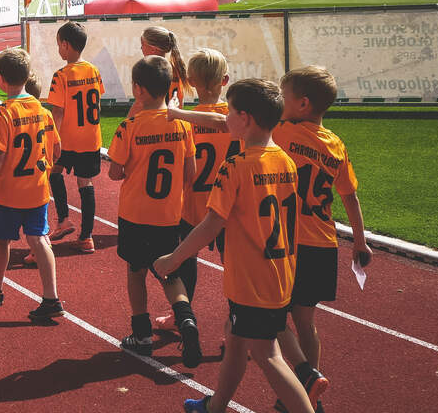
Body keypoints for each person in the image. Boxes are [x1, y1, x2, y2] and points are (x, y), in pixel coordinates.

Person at [153, 79, 313, 413]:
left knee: (268, 356)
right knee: (237, 344)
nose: (225, 118)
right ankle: (216, 406)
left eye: (230, 112)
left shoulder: (236, 166)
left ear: (246, 118)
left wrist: (173, 259)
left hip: (252, 280)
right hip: (278, 272)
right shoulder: (285, 161)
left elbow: (212, 224)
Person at [272, 66, 369, 410]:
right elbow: (350, 196)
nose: (279, 101)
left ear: (302, 104)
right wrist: (360, 241)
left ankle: (305, 380)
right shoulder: (336, 145)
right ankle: (307, 388)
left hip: (288, 242)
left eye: (283, 96)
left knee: (268, 316)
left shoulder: (282, 131)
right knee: (306, 322)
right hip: (324, 243)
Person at [106, 56, 200, 367]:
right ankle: (186, 318)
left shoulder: (129, 126)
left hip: (135, 213)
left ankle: (142, 334)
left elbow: (115, 172)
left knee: (136, 272)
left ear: (138, 89)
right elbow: (191, 172)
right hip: (168, 214)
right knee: (169, 272)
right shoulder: (182, 124)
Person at [0, 47, 64, 320]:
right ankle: (51, 297)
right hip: (37, 188)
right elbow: (57, 149)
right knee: (38, 239)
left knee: (2, 240)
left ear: (1, 79)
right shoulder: (43, 110)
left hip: (9, 192)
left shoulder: (3, 112)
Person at [161, 48, 236, 328]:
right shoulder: (237, 118)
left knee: (186, 258)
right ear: (225, 80)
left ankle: (182, 315)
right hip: (230, 207)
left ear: (191, 82)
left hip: (193, 203)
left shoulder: (185, 120)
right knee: (233, 266)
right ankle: (236, 322)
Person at [45, 22, 105, 252]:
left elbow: (58, 112)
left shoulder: (61, 75)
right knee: (85, 182)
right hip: (90, 139)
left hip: (67, 139)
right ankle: (87, 237)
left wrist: (52, 140)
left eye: (58, 44)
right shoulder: (93, 70)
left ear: (66, 45)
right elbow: (97, 100)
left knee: (54, 171)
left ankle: (63, 219)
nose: (58, 49)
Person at [138, 25, 190, 109]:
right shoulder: (175, 67)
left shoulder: (153, 70)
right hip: (175, 115)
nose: (141, 48)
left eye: (142, 44)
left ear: (153, 49)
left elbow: (142, 104)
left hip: (160, 116)